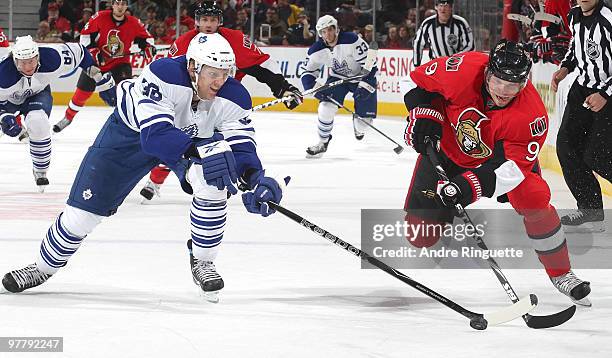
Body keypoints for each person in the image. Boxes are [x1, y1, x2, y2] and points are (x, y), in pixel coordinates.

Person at [0, 33, 286, 304]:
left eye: (226, 73)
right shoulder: (164, 74)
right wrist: (207, 151)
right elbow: (156, 136)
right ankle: (42, 267)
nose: (220, 81)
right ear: (192, 67)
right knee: (81, 216)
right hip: (129, 136)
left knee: (214, 182)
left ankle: (203, 260)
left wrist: (255, 178)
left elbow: (243, 148)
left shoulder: (234, 96)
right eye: (213, 73)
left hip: (188, 137)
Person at [402, 39, 591, 306]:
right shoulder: (462, 69)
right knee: (420, 237)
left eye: (513, 83)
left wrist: (466, 188)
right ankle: (443, 216)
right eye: (499, 80)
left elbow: (510, 170)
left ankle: (562, 274)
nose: (504, 90)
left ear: (525, 82)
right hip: (448, 149)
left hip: (500, 161)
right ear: (488, 71)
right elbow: (413, 83)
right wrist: (424, 116)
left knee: (534, 196)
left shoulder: (531, 116)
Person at [139, 1, 302, 202]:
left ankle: (233, 178)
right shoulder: (185, 42)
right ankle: (155, 182)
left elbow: (260, 67)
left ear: (220, 22)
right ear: (197, 22)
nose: (209, 24)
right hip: (187, 103)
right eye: (204, 19)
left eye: (213, 20)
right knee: (176, 141)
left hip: (221, 105)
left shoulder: (233, 39)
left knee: (223, 148)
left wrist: (283, 87)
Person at [0, 35, 116, 192]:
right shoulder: (3, 74)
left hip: (37, 94)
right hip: (6, 103)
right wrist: (4, 117)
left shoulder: (52, 57)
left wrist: (99, 78)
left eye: (32, 61)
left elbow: (80, 53)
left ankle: (40, 169)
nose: (28, 67)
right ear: (15, 61)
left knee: (38, 122)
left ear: (38, 57)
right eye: (23, 63)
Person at [551, 0, 612, 233]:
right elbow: (576, 48)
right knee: (566, 146)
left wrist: (605, 93)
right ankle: (590, 208)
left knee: (598, 157)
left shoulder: (608, 18)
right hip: (581, 90)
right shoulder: (574, 14)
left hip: (608, 93)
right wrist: (564, 69)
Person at [53, 0, 156, 133]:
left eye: (123, 4)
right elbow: (85, 36)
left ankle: (126, 123)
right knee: (81, 94)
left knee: (124, 94)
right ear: (112, 5)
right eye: (117, 3)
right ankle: (67, 118)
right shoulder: (99, 17)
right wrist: (94, 52)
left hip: (120, 63)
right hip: (96, 63)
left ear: (126, 6)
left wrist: (148, 48)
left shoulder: (134, 22)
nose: (120, 7)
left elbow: (147, 39)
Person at [300, 14, 377, 158]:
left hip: (361, 77)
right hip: (338, 78)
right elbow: (307, 71)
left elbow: (371, 65)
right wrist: (314, 88)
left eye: (330, 29)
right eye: (323, 31)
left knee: (363, 124)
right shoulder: (317, 49)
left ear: (336, 29)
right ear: (320, 34)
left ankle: (358, 127)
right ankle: (322, 143)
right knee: (325, 108)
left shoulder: (351, 40)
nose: (327, 34)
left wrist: (365, 84)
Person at [412, 0, 474, 67]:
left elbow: (470, 46)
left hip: (457, 66)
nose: (443, 9)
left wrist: (454, 58)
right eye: (440, 5)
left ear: (451, 7)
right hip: (436, 66)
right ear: (436, 7)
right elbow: (418, 43)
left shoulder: (461, 23)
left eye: (446, 6)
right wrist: (417, 65)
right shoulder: (427, 24)